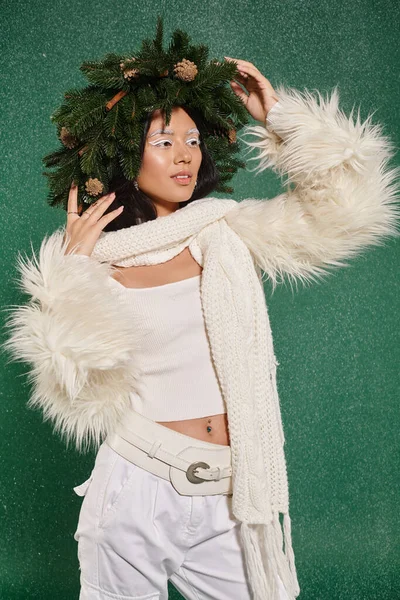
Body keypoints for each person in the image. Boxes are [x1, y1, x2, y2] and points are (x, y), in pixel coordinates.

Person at [2, 18, 399, 600]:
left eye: (192, 141)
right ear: (123, 155)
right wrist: (73, 275)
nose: (184, 156)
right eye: (163, 142)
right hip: (136, 486)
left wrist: (283, 119)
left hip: (236, 490)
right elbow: (72, 387)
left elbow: (349, 210)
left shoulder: (226, 232)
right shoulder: (94, 263)